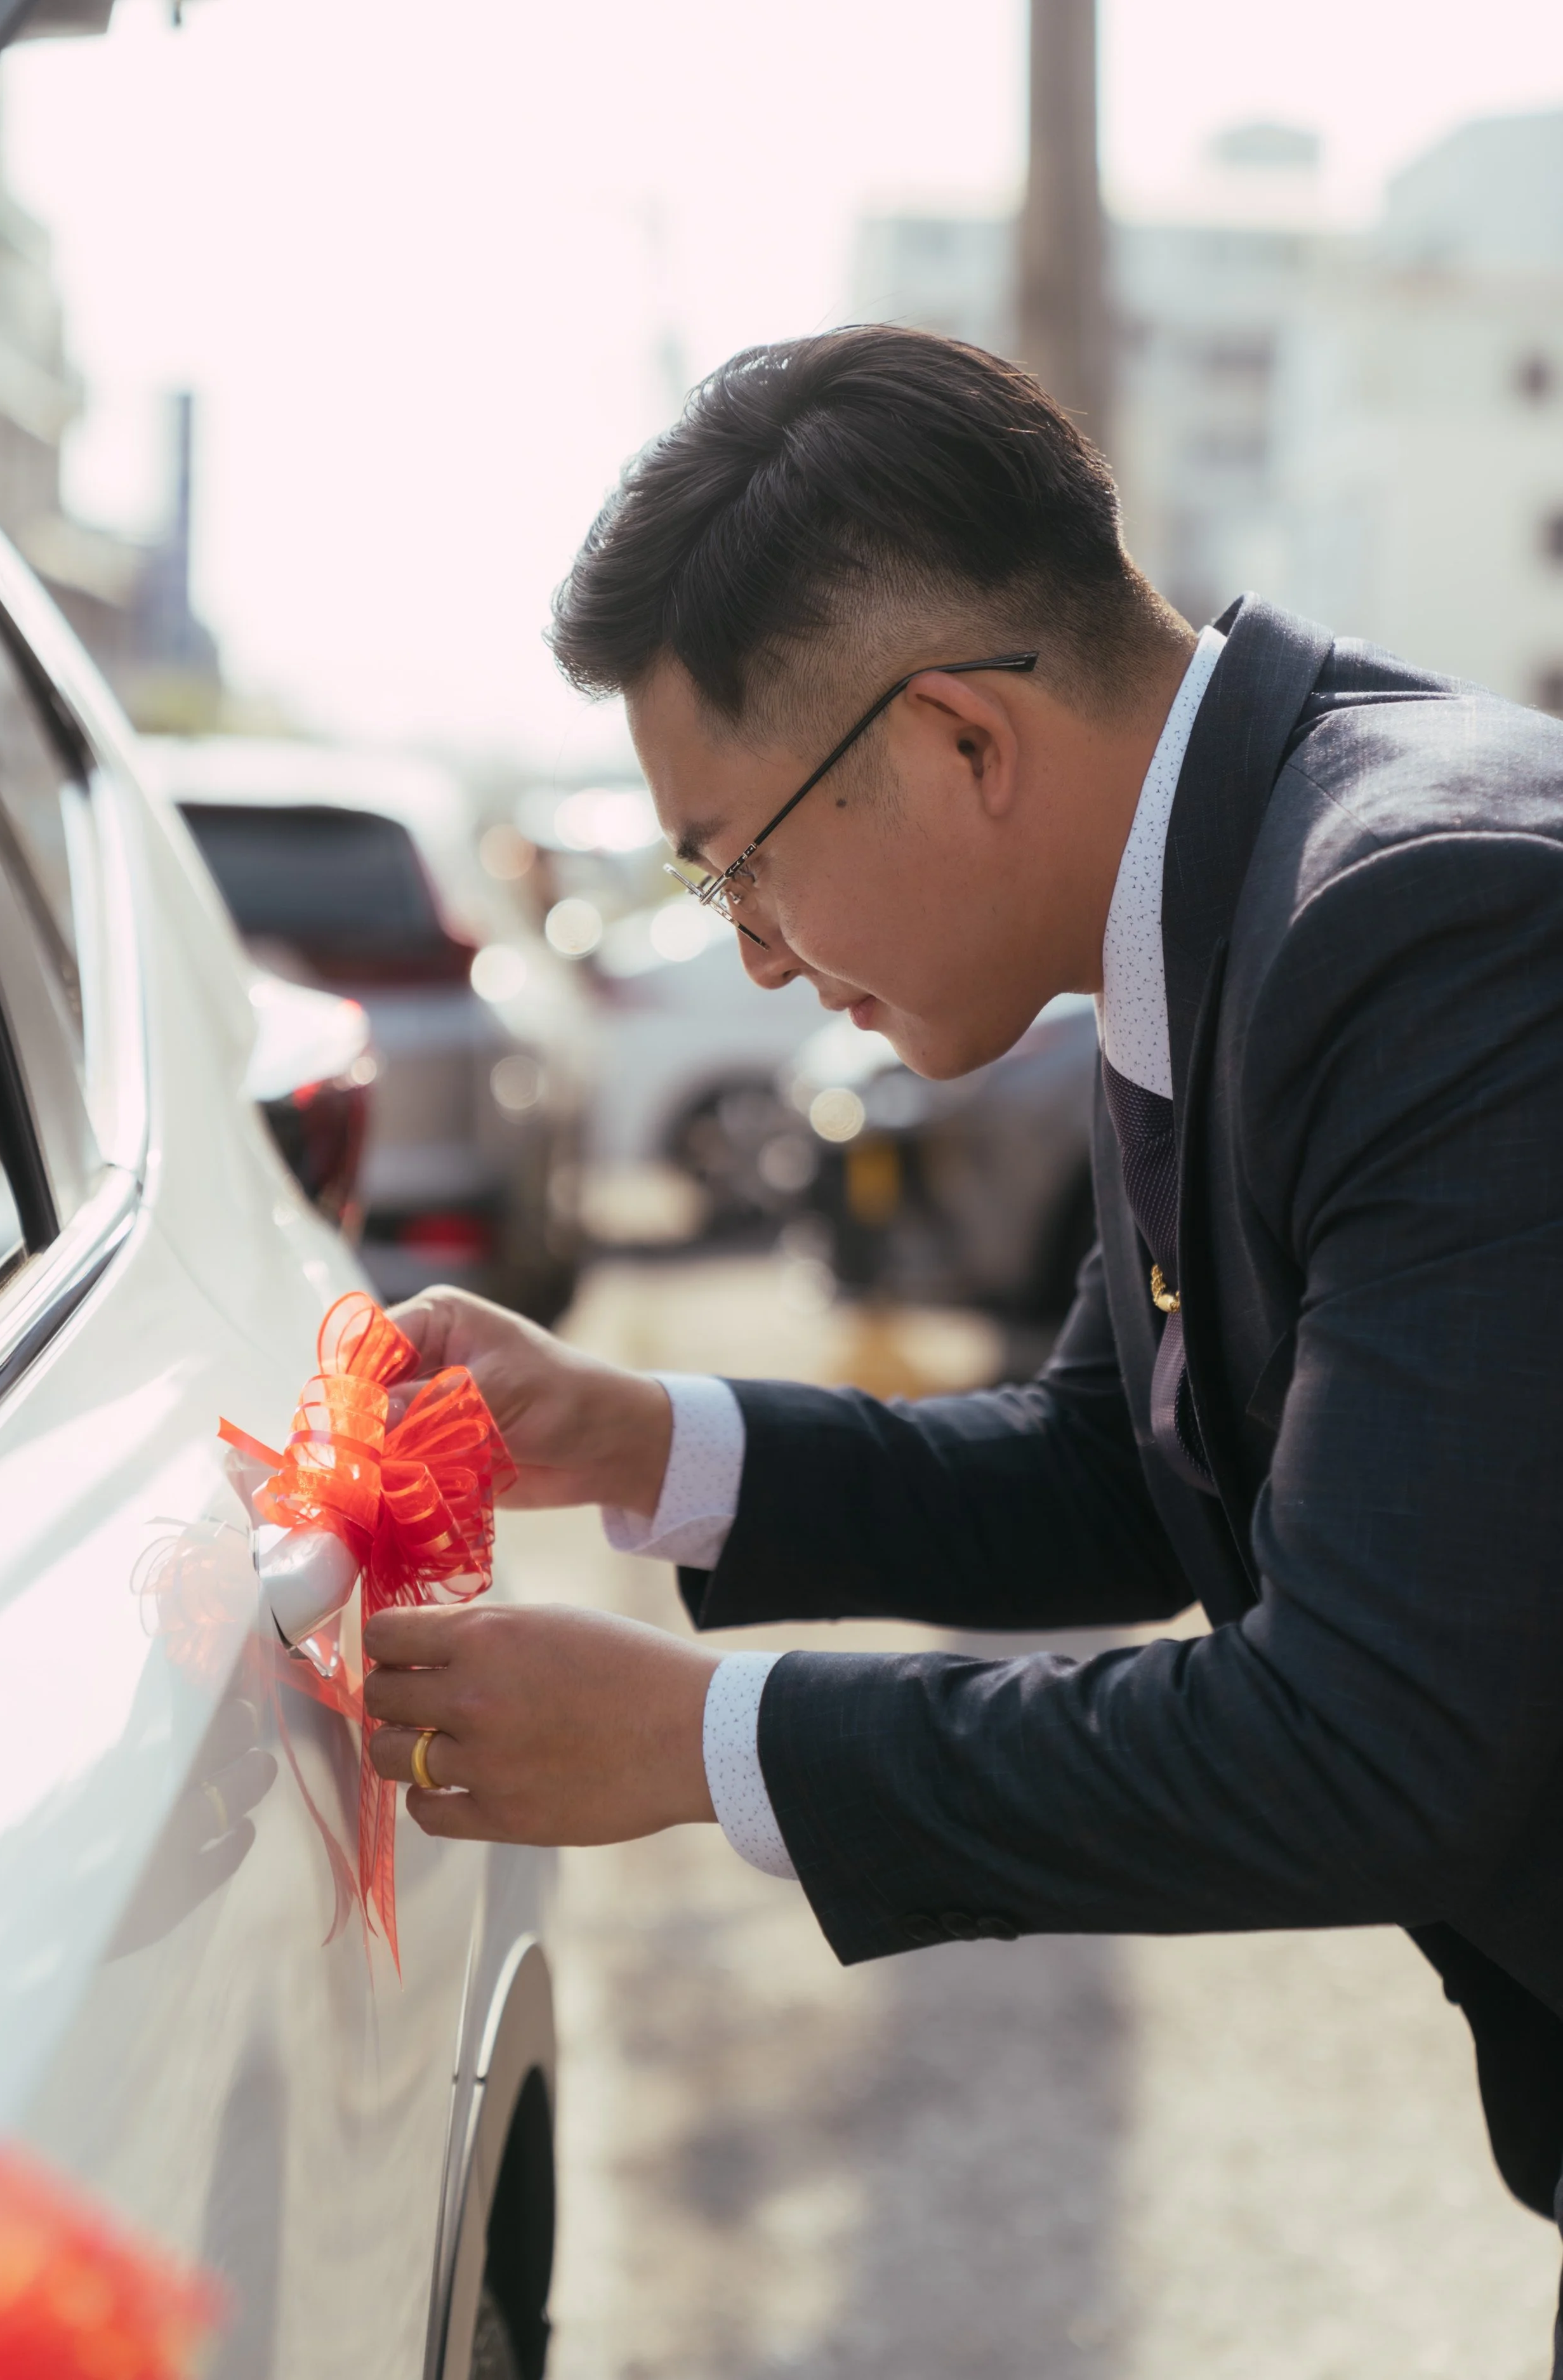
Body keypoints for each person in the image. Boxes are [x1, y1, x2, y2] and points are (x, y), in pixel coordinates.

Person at [364, 325, 1563, 2357]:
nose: (754, 953)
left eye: (739, 860)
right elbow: (1116, 1461)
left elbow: (1370, 1740)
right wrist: (635, 1434)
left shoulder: (1422, 919)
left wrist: (699, 1739)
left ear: (955, 741)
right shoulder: (1216, 884)